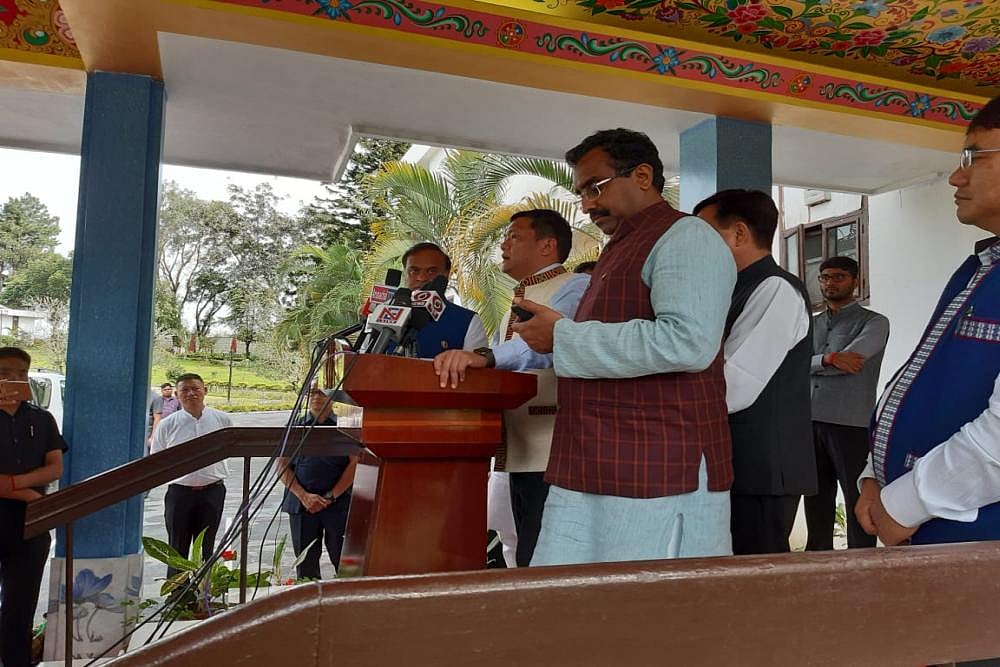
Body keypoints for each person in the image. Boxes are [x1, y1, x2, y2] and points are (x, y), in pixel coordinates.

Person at [511, 128, 737, 565]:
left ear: (642, 175)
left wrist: (563, 336)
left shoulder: (685, 237)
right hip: (600, 454)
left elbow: (688, 342)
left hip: (658, 464)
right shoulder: (622, 246)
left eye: (595, 188)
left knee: (647, 612)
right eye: (580, 193)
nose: (587, 204)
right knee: (584, 604)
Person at [855, 95, 1000, 550]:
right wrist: (875, 473)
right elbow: (923, 381)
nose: (957, 175)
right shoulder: (979, 269)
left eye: (974, 157)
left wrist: (906, 501)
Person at [433, 209, 589, 566]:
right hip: (520, 451)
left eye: (514, 236)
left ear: (548, 245)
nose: (503, 244)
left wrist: (483, 358)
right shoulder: (521, 298)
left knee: (547, 559)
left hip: (554, 450)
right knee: (523, 552)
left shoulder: (574, 287)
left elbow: (540, 348)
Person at [694, 190, 816, 555]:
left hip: (761, 467)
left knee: (756, 583)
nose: (696, 249)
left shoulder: (774, 288)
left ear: (739, 234)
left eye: (704, 236)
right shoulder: (734, 288)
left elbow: (735, 384)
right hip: (737, 462)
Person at [803, 256, 889, 550]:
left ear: (855, 281)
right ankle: (817, 563)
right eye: (825, 277)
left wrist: (813, 362)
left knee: (856, 498)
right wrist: (827, 359)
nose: (830, 283)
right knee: (815, 498)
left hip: (850, 422)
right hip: (808, 419)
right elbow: (787, 364)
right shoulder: (808, 323)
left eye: (838, 277)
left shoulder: (874, 322)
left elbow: (853, 362)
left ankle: (862, 564)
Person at [0, 347, 67, 667]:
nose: (14, 379)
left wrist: (13, 486)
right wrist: (28, 494)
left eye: (20, 374)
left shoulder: (41, 419)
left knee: (20, 603)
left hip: (32, 523)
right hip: (30, 506)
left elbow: (55, 468)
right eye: (6, 373)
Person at [149, 373, 232, 577]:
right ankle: (179, 598)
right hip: (180, 494)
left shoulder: (222, 419)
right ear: (177, 395)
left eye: (195, 388)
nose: (191, 393)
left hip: (213, 492)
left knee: (206, 546)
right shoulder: (168, 425)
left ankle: (204, 596)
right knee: (178, 547)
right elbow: (157, 458)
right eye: (185, 390)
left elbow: (231, 448)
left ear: (205, 391)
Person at [278, 386, 357, 579]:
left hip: (337, 503)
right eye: (312, 393)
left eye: (322, 392)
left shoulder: (346, 423)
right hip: (302, 504)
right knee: (305, 565)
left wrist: (330, 496)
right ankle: (311, 605)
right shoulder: (296, 425)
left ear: (333, 397)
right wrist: (304, 496)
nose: (316, 397)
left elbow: (356, 463)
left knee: (346, 562)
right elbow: (281, 465)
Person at [398, 242, 488, 357]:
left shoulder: (467, 321)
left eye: (431, 271)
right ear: (405, 274)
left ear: (446, 274)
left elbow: (477, 371)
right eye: (414, 271)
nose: (422, 278)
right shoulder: (384, 313)